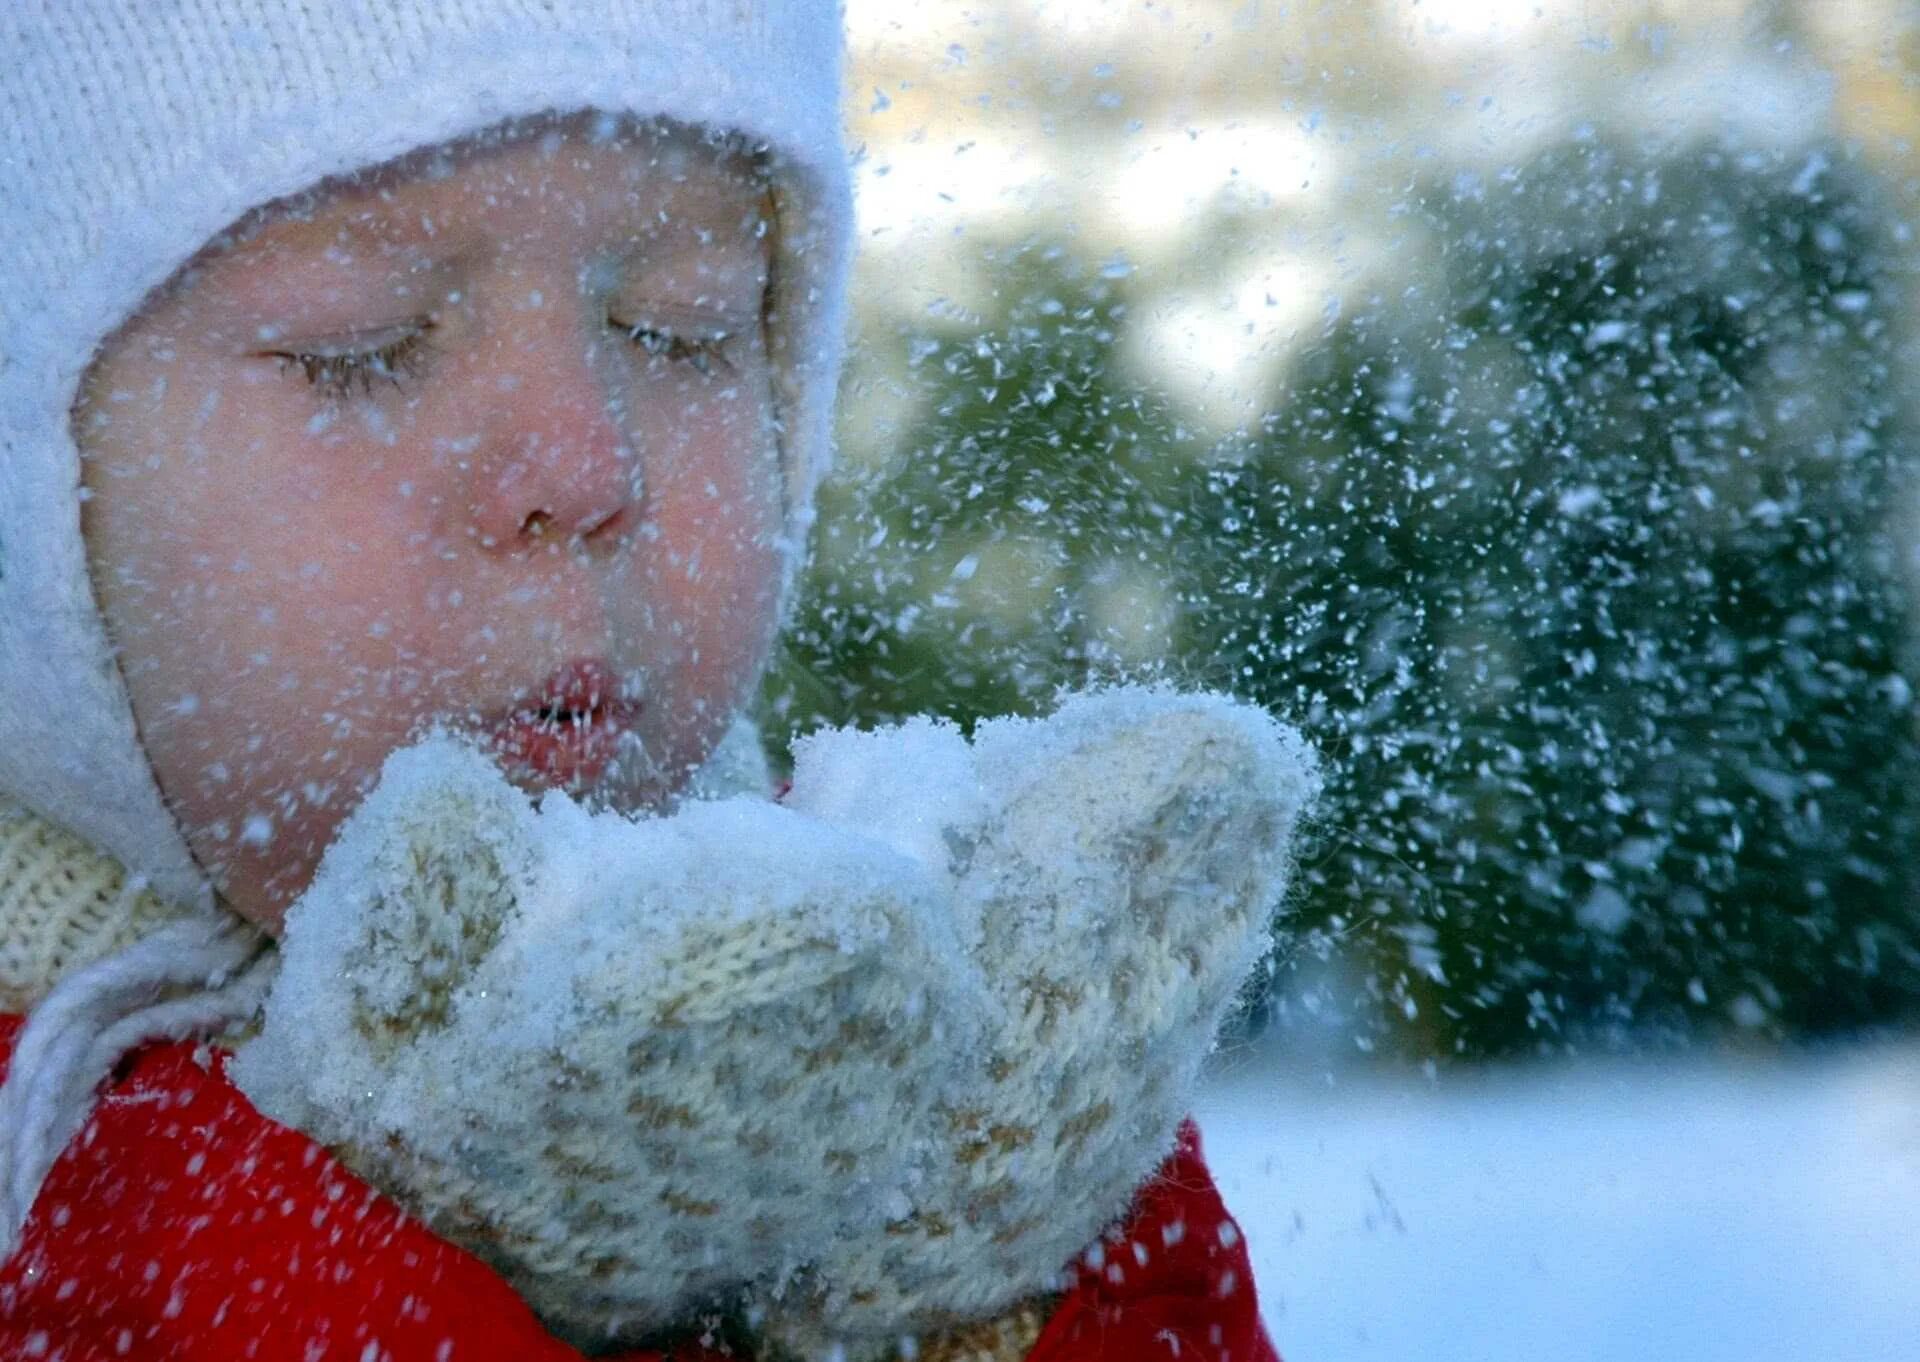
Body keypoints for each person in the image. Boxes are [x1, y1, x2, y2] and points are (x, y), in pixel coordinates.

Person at [0, 4, 1290, 1359]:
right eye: (364, 344)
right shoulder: (56, 1201)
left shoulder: (877, 1030)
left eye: (682, 327)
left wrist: (998, 1280)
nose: (585, 463)